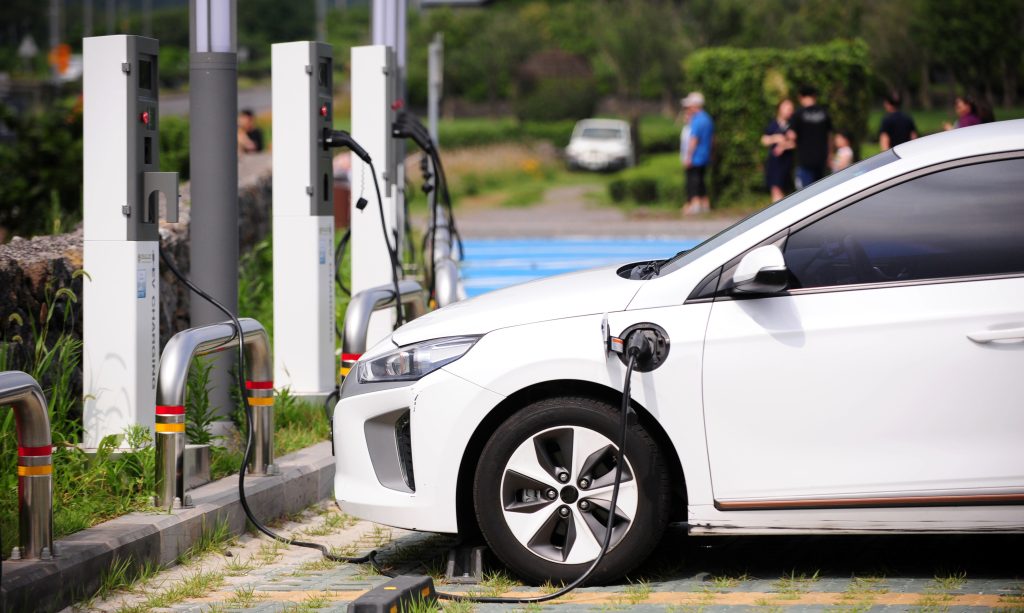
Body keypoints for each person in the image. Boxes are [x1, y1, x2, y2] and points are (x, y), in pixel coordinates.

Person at [787, 85, 832, 189]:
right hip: (821, 159)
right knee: (820, 190)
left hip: (805, 160)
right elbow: (830, 136)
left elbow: (791, 136)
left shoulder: (798, 114)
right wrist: (830, 154)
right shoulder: (824, 113)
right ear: (814, 96)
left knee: (806, 193)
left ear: (800, 97)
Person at [680, 92, 714, 215]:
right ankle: (705, 204)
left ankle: (695, 205)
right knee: (701, 180)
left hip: (696, 156)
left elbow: (694, 140)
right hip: (705, 155)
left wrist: (688, 156)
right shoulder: (707, 119)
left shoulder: (697, 120)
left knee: (693, 181)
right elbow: (711, 139)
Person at [761, 99, 795, 202]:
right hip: (775, 163)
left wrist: (783, 146)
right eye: (787, 108)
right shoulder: (773, 124)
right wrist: (775, 138)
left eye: (791, 108)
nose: (789, 111)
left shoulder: (792, 125)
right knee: (776, 189)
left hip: (787, 162)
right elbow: (764, 140)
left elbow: (795, 143)